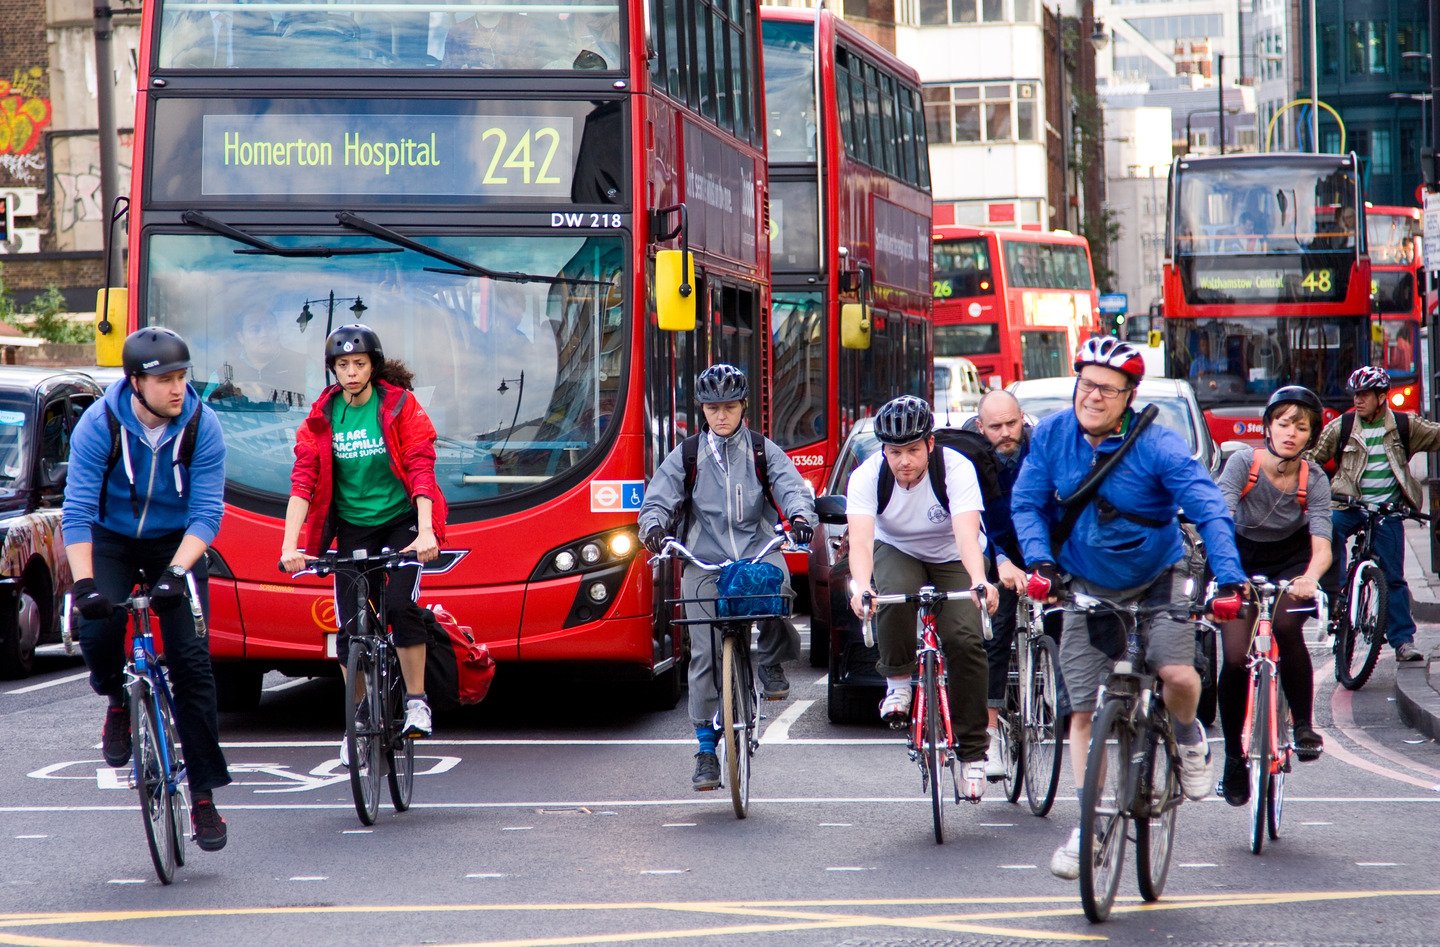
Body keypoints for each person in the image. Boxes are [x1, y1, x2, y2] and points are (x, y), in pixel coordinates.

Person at [1010, 336, 1248, 880]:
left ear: (1130, 395)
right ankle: (1088, 828)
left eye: (1107, 389)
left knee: (1177, 674)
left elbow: (1209, 508)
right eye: (1086, 384)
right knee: (1082, 712)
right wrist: (1041, 563)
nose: (1092, 397)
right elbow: (1027, 503)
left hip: (1160, 576)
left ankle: (1188, 738)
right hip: (1086, 581)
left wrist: (1230, 577)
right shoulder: (1051, 437)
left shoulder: (1158, 446)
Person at [61, 327, 232, 852]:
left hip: (176, 546)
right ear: (136, 382)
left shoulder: (203, 425)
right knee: (98, 628)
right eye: (165, 380)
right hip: (112, 540)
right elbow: (78, 512)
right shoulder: (99, 424)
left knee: (192, 665)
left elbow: (207, 514)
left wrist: (178, 573)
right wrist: (86, 585)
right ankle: (115, 698)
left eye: (182, 377)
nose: (177, 389)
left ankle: (202, 794)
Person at [637, 364, 815, 791]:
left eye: (729, 407)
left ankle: (771, 661)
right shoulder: (688, 454)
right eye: (713, 408)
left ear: (743, 408)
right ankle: (704, 747)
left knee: (779, 587)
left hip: (757, 550)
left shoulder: (760, 449)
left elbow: (791, 488)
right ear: (703, 409)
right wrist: (655, 528)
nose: (721, 416)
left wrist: (800, 517)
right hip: (704, 560)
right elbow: (657, 500)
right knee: (704, 650)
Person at [279, 324, 447, 757]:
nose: (350, 372)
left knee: (399, 607)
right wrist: (289, 547)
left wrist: (426, 530)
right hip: (353, 526)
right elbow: (303, 483)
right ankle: (359, 718)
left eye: (358, 363)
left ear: (373, 366)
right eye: (342, 365)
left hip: (402, 522)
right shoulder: (322, 416)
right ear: (332, 370)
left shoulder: (398, 406)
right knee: (350, 629)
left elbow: (420, 466)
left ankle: (416, 703)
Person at [846, 395, 1000, 801]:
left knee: (966, 639)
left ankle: (972, 753)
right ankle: (898, 682)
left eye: (913, 450)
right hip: (898, 548)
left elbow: (968, 536)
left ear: (930, 445)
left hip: (953, 552)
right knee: (892, 594)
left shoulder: (956, 469)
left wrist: (979, 581)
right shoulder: (866, 478)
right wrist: (862, 586)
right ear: (884, 450)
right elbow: (861, 543)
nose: (904, 461)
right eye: (895, 452)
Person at [1214, 386, 1331, 805]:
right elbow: (1220, 519)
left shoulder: (1314, 478)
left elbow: (1322, 545)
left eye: (1301, 427)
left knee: (1285, 626)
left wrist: (1310, 577)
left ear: (1311, 436)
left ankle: (1302, 725)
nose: (1291, 433)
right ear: (1267, 427)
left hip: (1292, 561)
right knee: (1233, 657)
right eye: (1283, 423)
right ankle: (1232, 758)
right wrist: (1228, 572)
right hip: (1238, 555)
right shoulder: (1242, 463)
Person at [1311, 366, 1440, 663]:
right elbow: (1312, 460)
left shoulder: (1404, 426)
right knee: (1327, 529)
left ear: (1382, 397)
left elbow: (1436, 436)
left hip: (1386, 511)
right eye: (1355, 394)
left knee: (1393, 578)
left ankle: (1403, 642)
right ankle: (1336, 591)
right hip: (1347, 505)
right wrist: (1316, 494)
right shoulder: (1342, 426)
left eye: (1365, 394)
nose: (1358, 400)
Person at [962, 390, 1035, 780]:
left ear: (1022, 418)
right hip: (992, 547)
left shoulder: (1039, 449)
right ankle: (988, 733)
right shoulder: (967, 456)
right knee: (996, 627)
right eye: (996, 427)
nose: (1006, 433)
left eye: (1012, 423)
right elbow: (971, 521)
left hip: (1037, 542)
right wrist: (1002, 561)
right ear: (980, 427)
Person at [206, 308, 307, 408]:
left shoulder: (303, 365)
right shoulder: (221, 374)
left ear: (277, 331)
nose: (264, 334)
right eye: (255, 329)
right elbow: (205, 411)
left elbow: (315, 408)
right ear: (241, 337)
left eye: (270, 327)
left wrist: (264, 395)